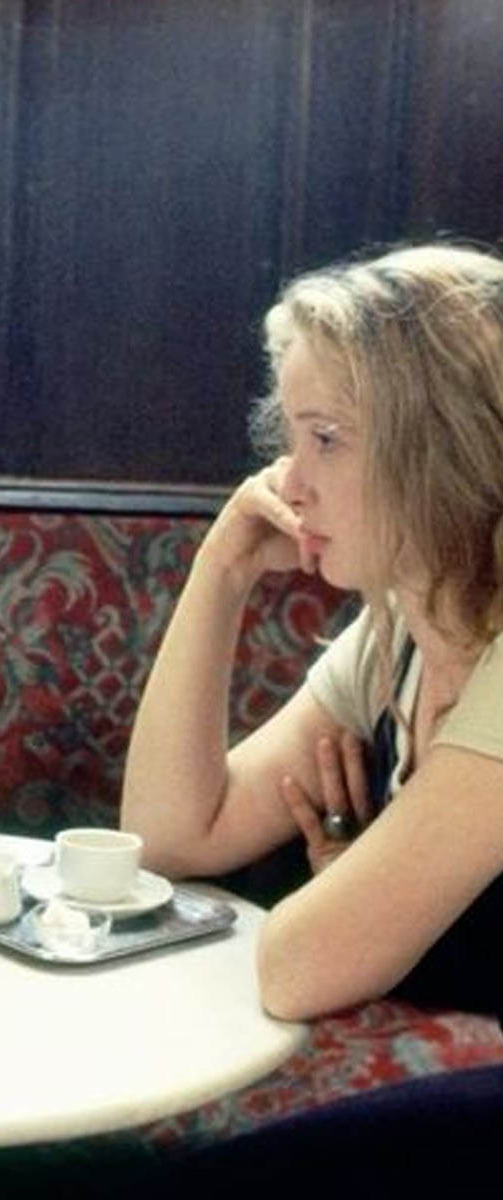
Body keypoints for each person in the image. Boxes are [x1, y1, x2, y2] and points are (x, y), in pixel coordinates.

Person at [121, 242, 503, 1024]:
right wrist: (221, 570)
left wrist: (347, 883)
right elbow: (168, 837)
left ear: (441, 448)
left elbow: (296, 969)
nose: (288, 484)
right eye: (292, 441)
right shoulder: (398, 631)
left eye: (326, 439)